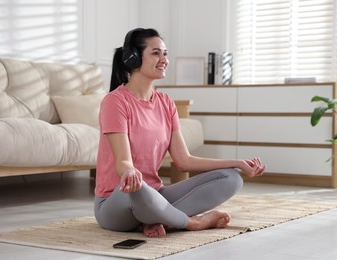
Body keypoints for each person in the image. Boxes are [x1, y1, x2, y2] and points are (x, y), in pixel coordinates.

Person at [94, 28, 266, 238]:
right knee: (137, 188)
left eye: (165, 53)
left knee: (232, 178)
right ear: (133, 58)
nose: (164, 59)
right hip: (117, 201)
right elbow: (123, 163)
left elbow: (184, 160)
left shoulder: (166, 103)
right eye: (156, 53)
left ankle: (157, 219)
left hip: (155, 196)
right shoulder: (115, 101)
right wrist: (129, 172)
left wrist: (236, 163)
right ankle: (191, 223)